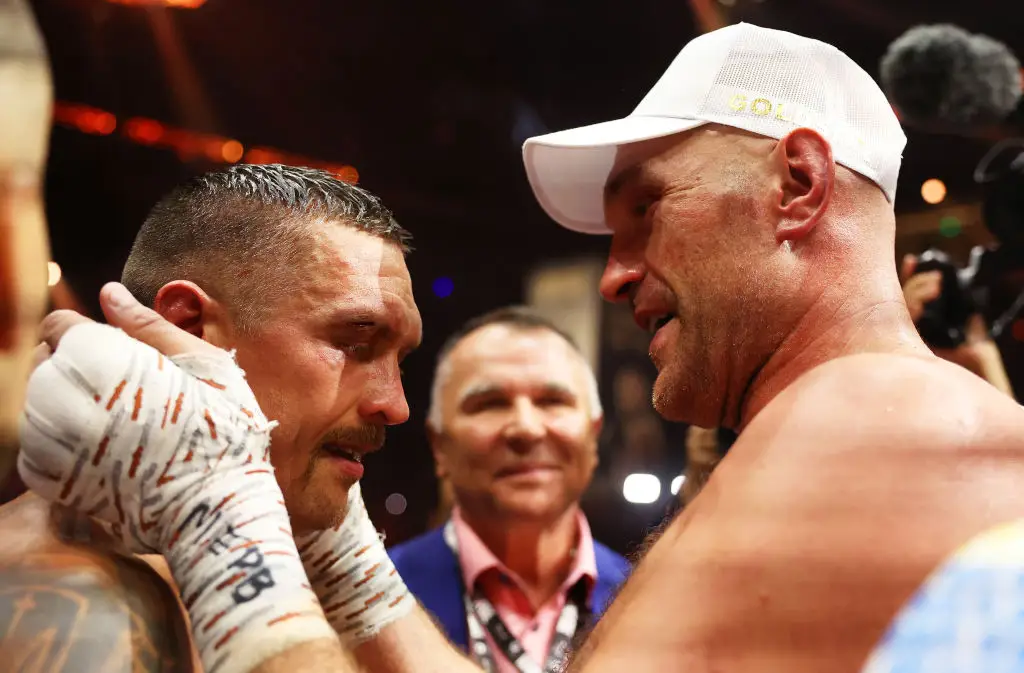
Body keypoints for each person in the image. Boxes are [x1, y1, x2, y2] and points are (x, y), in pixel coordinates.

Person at [18, 22, 1024, 673]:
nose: (614, 271)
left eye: (645, 208)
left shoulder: (869, 413)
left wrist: (218, 517)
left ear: (797, 185)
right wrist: (342, 556)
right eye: (353, 342)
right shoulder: (865, 421)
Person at [3, 164, 468, 672]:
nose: (395, 405)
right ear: (189, 327)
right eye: (355, 343)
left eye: (400, 361)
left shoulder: (303, 585)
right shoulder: (46, 596)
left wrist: (361, 583)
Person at [389, 307, 630, 670]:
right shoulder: (378, 599)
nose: (527, 428)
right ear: (440, 446)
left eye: (553, 401)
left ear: (593, 436)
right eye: (490, 404)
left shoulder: (646, 596)